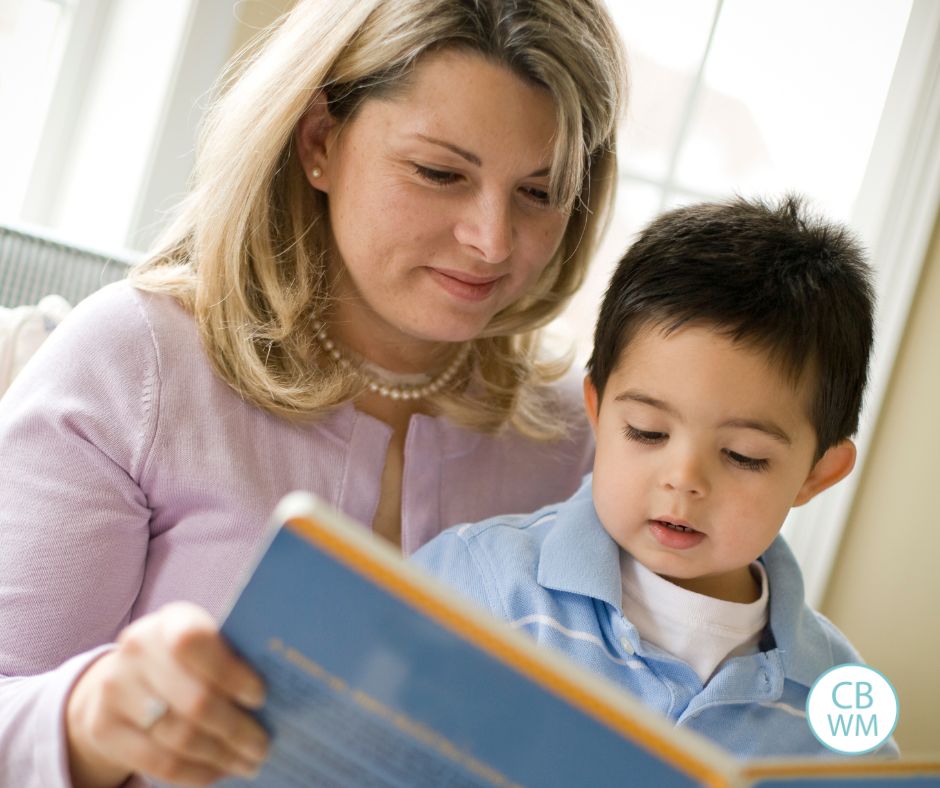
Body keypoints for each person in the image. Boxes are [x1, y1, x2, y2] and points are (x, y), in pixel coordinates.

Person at [0, 0, 627, 785]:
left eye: (539, 192)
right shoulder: (137, 363)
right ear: (320, 140)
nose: (492, 241)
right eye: (440, 173)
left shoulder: (586, 438)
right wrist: (89, 715)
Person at [413, 194, 900, 758]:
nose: (683, 479)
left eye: (743, 455)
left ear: (818, 474)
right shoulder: (483, 582)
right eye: (647, 431)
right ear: (597, 412)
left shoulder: (837, 704)